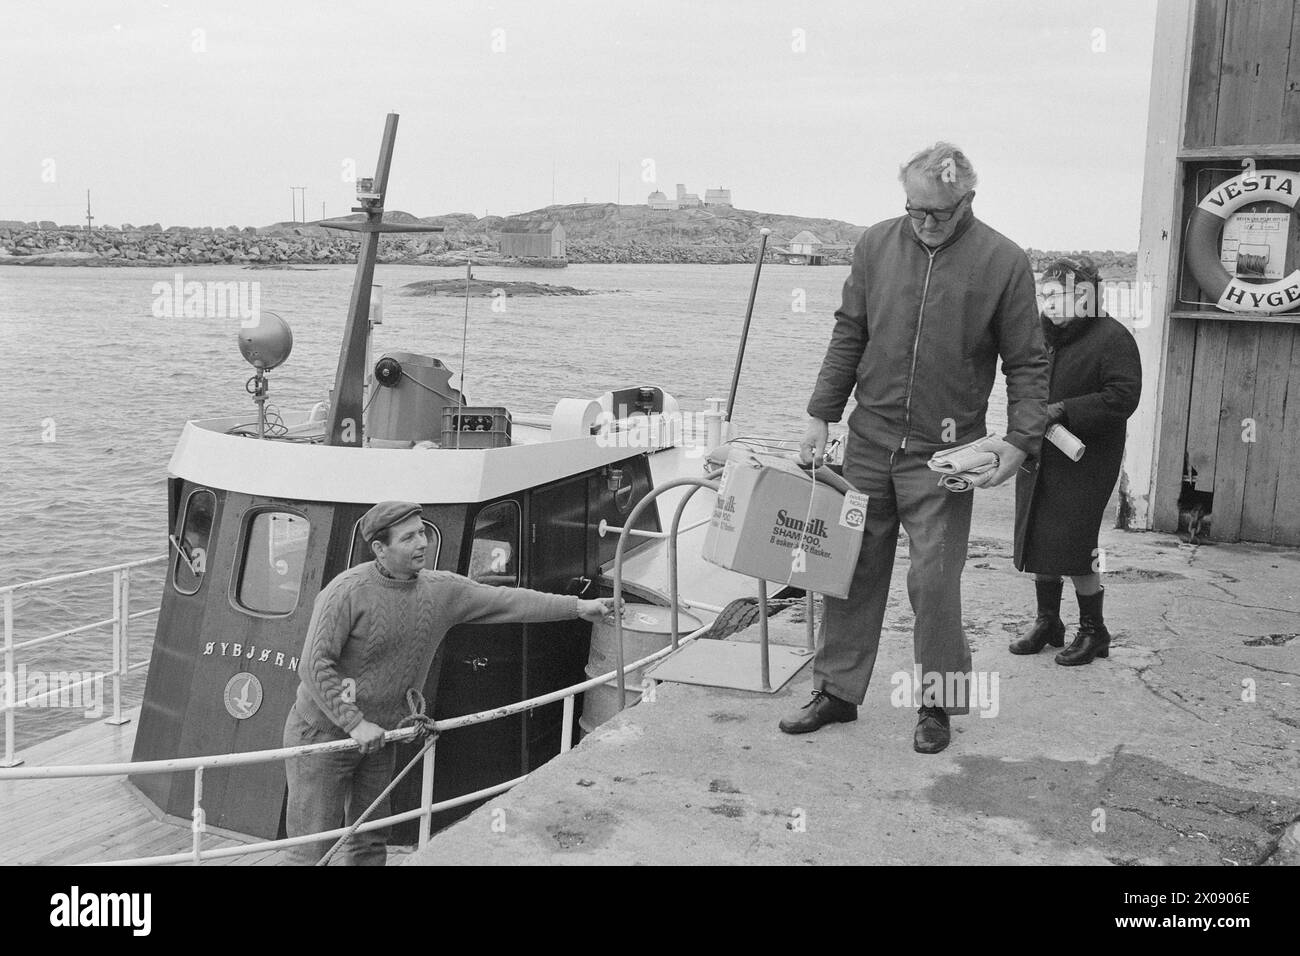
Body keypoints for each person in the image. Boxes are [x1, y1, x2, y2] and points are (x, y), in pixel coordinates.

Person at [780, 142, 1048, 753]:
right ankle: (837, 692)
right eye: (913, 210)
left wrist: (1020, 441)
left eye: (938, 213)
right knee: (850, 570)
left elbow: (1028, 363)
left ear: (967, 202)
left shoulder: (1004, 262)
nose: (924, 222)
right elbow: (850, 331)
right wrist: (821, 415)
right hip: (869, 444)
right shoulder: (876, 244)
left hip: (945, 454)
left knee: (934, 582)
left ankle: (938, 704)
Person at [283, 500, 612, 865]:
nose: (422, 542)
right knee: (312, 850)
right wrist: (355, 723)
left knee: (371, 839)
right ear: (380, 548)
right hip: (322, 736)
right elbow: (313, 665)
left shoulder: (440, 591)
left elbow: (507, 601)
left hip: (380, 738)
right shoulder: (345, 592)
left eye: (422, 532)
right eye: (408, 537)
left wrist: (579, 608)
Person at [1010, 256, 1141, 665]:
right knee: (1037, 532)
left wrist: (1063, 408)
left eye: (1055, 295)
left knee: (1077, 540)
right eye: (1042, 294)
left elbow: (1123, 397)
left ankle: (1093, 631)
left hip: (1088, 456)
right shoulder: (1043, 336)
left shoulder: (1113, 337)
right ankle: (1048, 621)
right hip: (1040, 449)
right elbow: (1021, 375)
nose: (1046, 303)